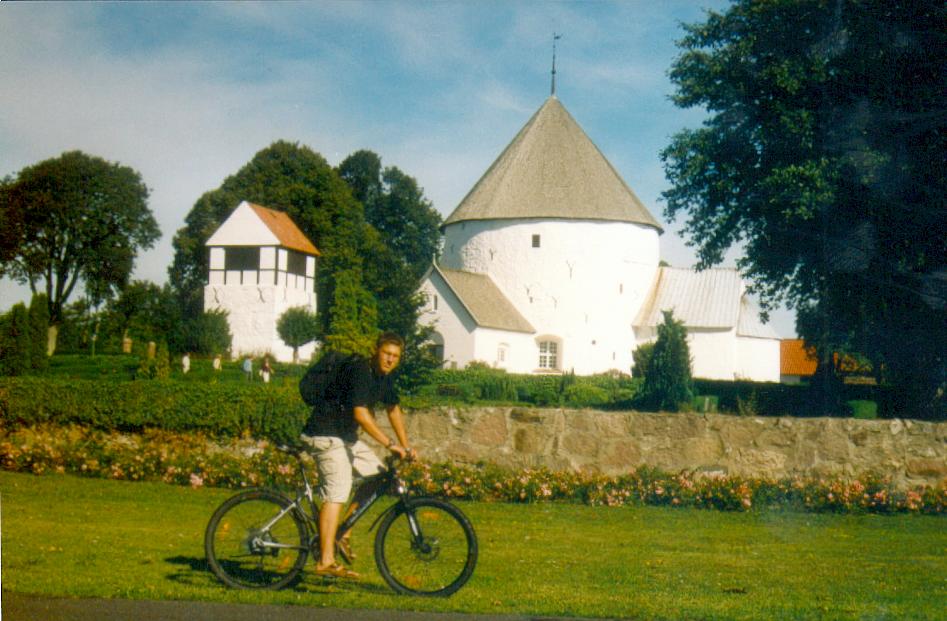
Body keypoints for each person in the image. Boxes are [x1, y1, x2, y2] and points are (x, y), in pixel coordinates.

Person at [300, 332, 416, 580]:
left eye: (395, 356)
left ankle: (343, 533)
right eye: (386, 353)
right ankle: (325, 560)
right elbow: (361, 414)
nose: (390, 360)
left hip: (345, 438)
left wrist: (406, 447)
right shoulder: (361, 371)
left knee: (379, 476)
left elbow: (393, 409)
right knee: (337, 491)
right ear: (377, 351)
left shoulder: (384, 377)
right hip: (325, 434)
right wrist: (390, 444)